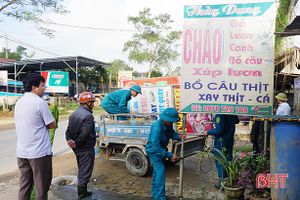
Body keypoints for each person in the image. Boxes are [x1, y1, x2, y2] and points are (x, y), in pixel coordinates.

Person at [15, 73, 56, 200]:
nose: (44, 88)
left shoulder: (19, 102)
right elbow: (52, 124)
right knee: (41, 188)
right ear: (34, 87)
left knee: (25, 186)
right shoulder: (39, 102)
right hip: (39, 154)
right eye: (42, 85)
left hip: (22, 153)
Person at [146, 108, 185, 200]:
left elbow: (172, 133)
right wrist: (170, 155)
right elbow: (155, 147)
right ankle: (159, 197)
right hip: (154, 151)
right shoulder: (157, 128)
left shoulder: (168, 125)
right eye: (171, 122)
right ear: (165, 119)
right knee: (160, 171)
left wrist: (179, 136)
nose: (172, 123)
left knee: (157, 172)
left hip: (160, 149)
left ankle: (156, 194)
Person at [65, 92, 96, 200]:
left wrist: (70, 141)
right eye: (93, 102)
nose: (94, 104)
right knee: (85, 171)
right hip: (85, 148)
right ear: (88, 103)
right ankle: (82, 195)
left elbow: (68, 130)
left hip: (77, 148)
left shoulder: (74, 114)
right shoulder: (88, 116)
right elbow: (85, 134)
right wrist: (77, 142)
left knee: (82, 168)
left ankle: (84, 192)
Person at [29, 95, 60, 200]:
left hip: (50, 129)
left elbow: (55, 119)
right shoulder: (39, 108)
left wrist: (54, 126)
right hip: (38, 151)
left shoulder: (52, 107)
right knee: (38, 177)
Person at [203, 114, 239, 189]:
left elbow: (219, 130)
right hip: (229, 139)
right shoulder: (231, 110)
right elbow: (237, 121)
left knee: (221, 161)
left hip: (221, 141)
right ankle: (229, 180)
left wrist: (208, 132)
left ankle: (222, 182)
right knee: (228, 159)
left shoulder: (220, 114)